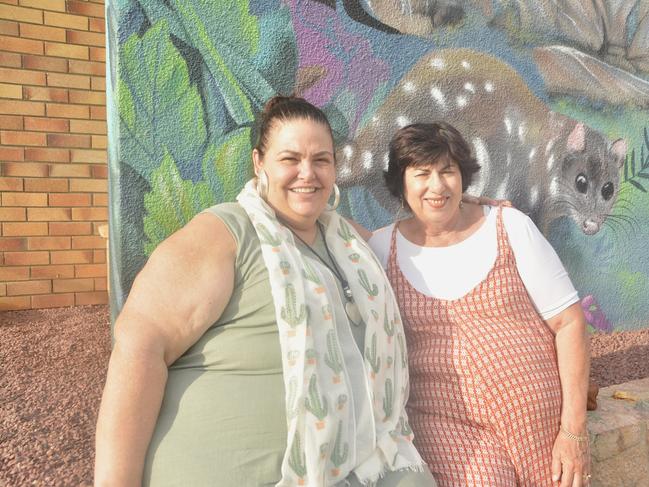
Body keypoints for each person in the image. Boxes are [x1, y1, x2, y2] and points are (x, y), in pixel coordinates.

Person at [94, 96, 437, 486]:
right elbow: (139, 349)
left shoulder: (350, 242)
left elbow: (423, 244)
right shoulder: (224, 235)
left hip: (357, 465)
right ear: (260, 163)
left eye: (321, 160)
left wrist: (472, 211)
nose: (307, 173)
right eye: (290, 159)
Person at [368, 122, 591, 487]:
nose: (436, 186)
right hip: (448, 426)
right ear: (400, 182)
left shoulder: (509, 226)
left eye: (447, 171)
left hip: (539, 425)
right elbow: (322, 225)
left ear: (463, 177)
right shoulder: (379, 250)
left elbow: (569, 323)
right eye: (421, 173)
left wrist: (574, 431)